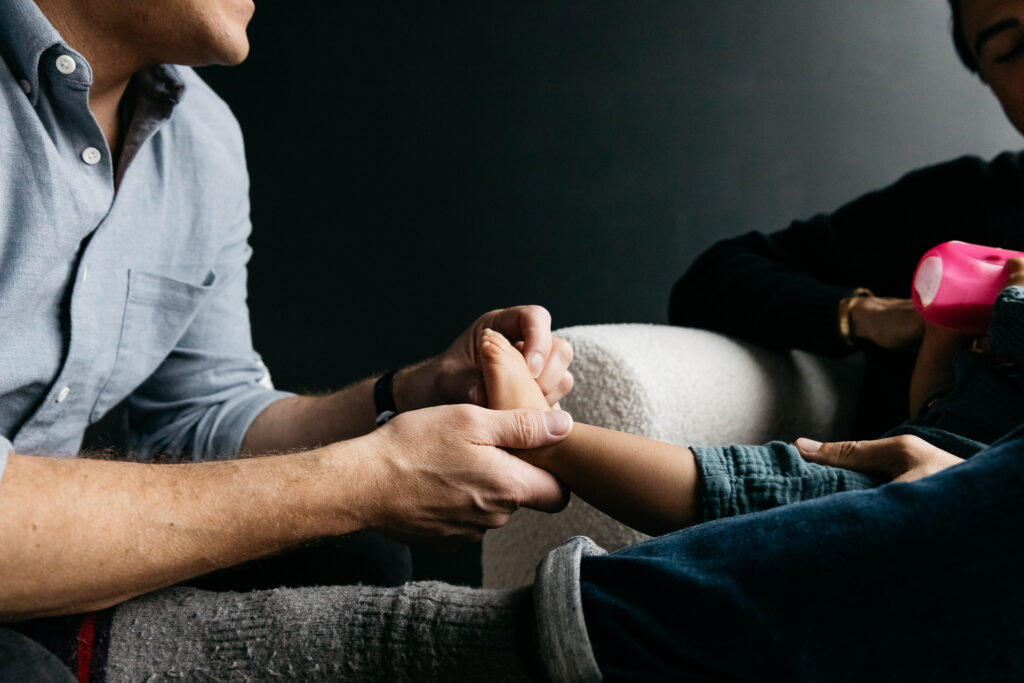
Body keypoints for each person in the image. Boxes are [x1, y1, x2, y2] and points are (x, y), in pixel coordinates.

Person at [0, 0, 576, 674]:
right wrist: (366, 477)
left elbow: (200, 418)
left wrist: (407, 395)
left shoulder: (202, 140)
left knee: (356, 556)